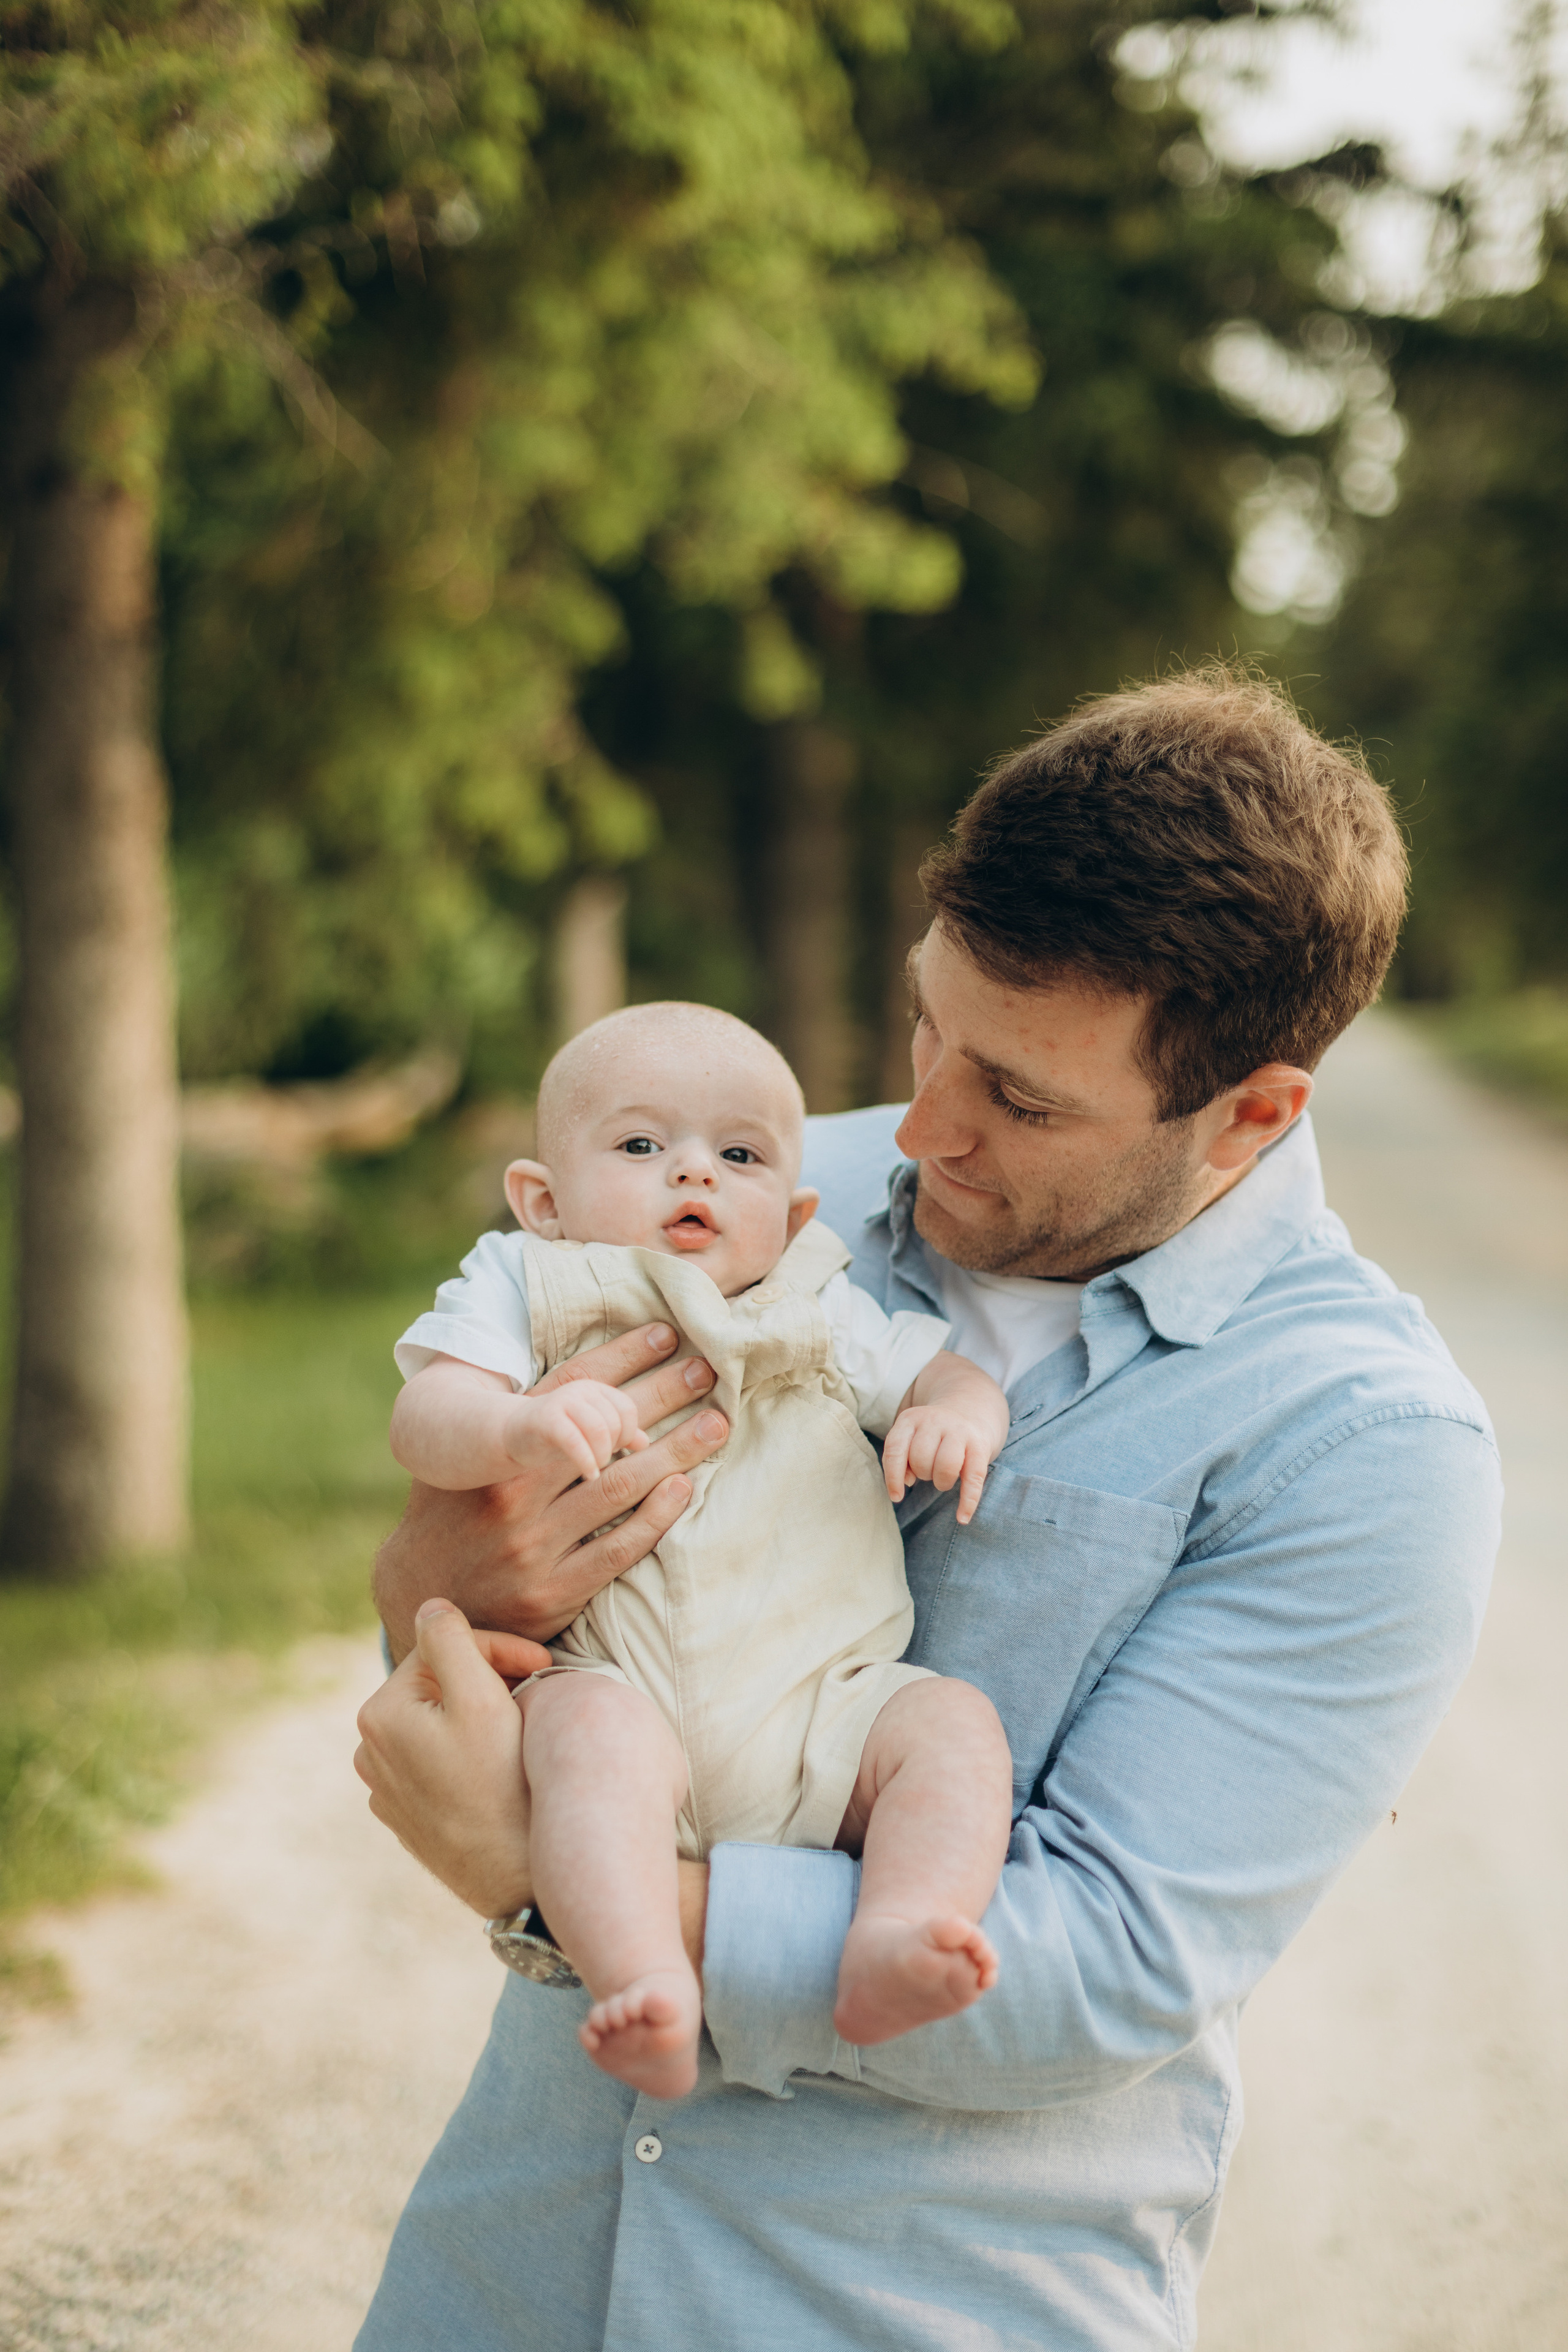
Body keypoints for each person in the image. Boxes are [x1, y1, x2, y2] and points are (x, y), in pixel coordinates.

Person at [354, 667, 1501, 2352]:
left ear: (1251, 1113)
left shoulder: (1364, 1445)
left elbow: (1095, 1964)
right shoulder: (754, 1187)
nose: (926, 1126)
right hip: (513, 2265)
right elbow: (448, 1581)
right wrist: (429, 1581)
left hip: (899, 2305)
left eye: (1025, 1099)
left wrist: (559, 1883)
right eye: (926, 1029)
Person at [386, 1001, 1014, 2097]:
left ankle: (900, 1930)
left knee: (950, 1728)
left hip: (825, 1704)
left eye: (738, 1155)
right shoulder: (526, 1281)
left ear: (796, 1209)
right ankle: (644, 1983)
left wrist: (961, 1414)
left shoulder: (816, 1302)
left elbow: (939, 1376)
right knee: (584, 1740)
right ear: (543, 1199)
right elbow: (424, 1416)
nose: (695, 1177)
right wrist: (512, 1427)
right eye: (640, 1146)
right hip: (619, 1689)